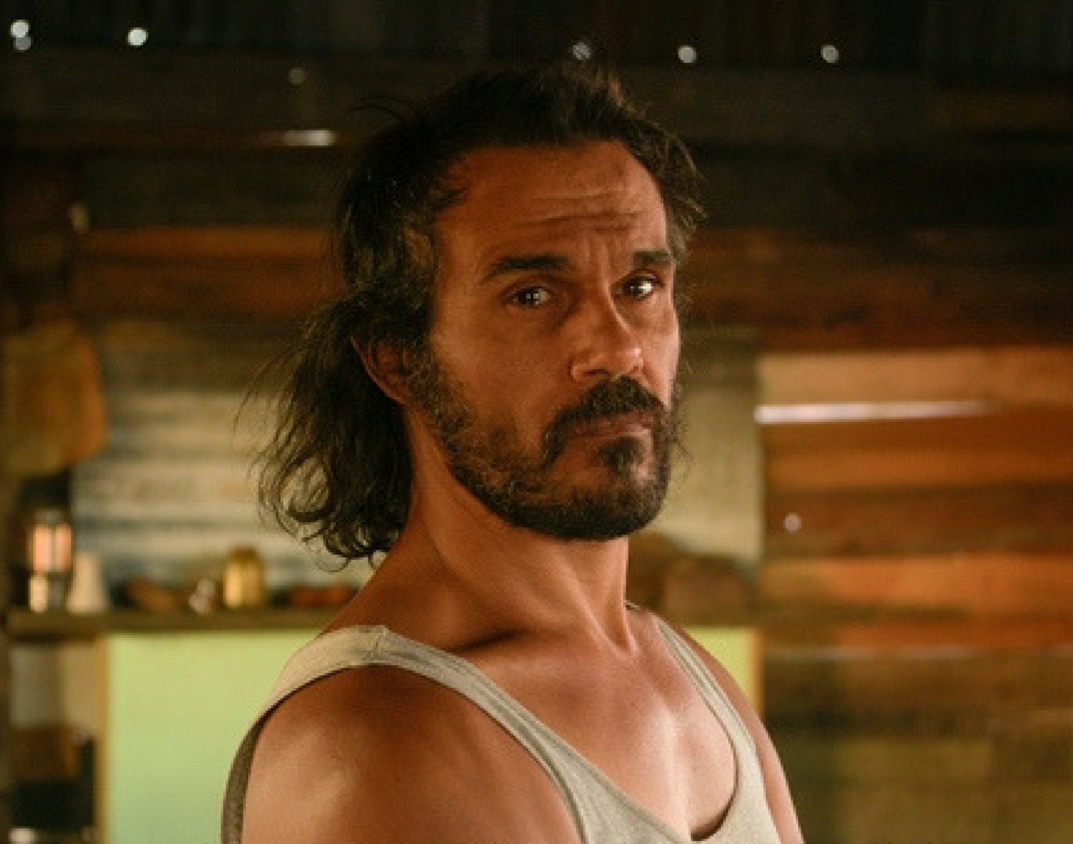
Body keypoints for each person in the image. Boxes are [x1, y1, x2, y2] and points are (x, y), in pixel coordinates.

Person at [222, 62, 803, 844]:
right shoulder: (374, 744)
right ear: (397, 359)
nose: (616, 351)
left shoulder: (698, 684)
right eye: (533, 296)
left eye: (639, 286)